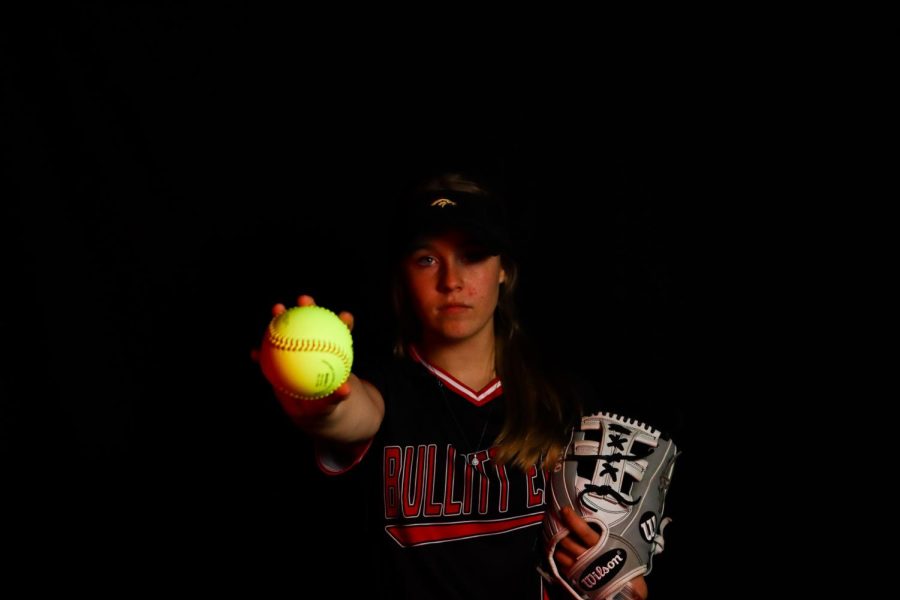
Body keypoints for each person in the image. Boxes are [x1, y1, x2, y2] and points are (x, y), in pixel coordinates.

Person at [259, 172, 663, 599]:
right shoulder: (385, 391)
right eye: (426, 259)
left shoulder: (562, 403)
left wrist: (618, 580)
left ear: (504, 270)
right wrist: (321, 400)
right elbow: (350, 413)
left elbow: (601, 560)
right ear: (402, 277)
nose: (451, 280)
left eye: (472, 255)